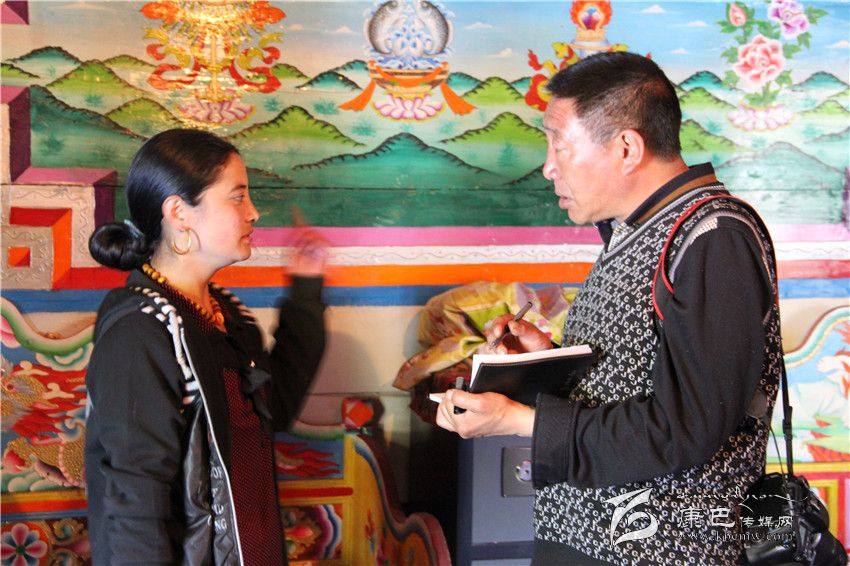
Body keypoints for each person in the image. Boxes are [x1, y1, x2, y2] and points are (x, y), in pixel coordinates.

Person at [435, 52, 782, 565]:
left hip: (659, 550)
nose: (548, 166)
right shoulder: (637, 230)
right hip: (587, 537)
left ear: (626, 148)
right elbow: (627, 381)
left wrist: (519, 421)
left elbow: (685, 428)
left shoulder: (713, 236)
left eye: (559, 144)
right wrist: (546, 358)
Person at [85, 128, 328, 565]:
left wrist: (306, 291)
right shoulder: (140, 330)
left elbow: (277, 408)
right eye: (238, 197)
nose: (253, 213)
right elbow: (136, 502)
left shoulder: (223, 313)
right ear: (179, 212)